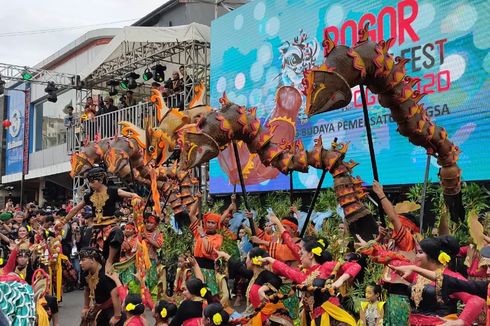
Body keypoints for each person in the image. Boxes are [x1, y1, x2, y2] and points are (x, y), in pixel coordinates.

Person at [360, 235, 485, 325]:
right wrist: (371, 248)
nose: (416, 256)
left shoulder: (451, 278)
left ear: (432, 256)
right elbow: (392, 260)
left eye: (420, 252)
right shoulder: (415, 274)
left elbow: (476, 299)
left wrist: (461, 321)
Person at [65, 166, 141, 272]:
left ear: (100, 180)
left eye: (92, 181)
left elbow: (132, 195)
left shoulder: (113, 191)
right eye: (89, 182)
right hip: (96, 229)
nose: (90, 184)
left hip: (110, 226)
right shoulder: (89, 196)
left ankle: (110, 261)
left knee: (117, 233)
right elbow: (75, 209)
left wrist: (136, 198)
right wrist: (63, 221)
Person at [216, 247, 292, 325]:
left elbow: (277, 280)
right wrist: (225, 255)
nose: (245, 260)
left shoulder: (265, 274)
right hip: (257, 314)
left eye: (247, 258)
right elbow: (238, 266)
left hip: (268, 318)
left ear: (252, 261)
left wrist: (262, 289)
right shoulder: (253, 274)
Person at [79, 247, 124, 326]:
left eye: (83, 260)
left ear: (92, 260)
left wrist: (117, 316)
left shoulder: (105, 274)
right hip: (99, 306)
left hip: (114, 306)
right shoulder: (85, 274)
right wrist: (86, 307)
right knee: (85, 319)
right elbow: (87, 290)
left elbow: (116, 294)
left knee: (116, 322)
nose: (80, 263)